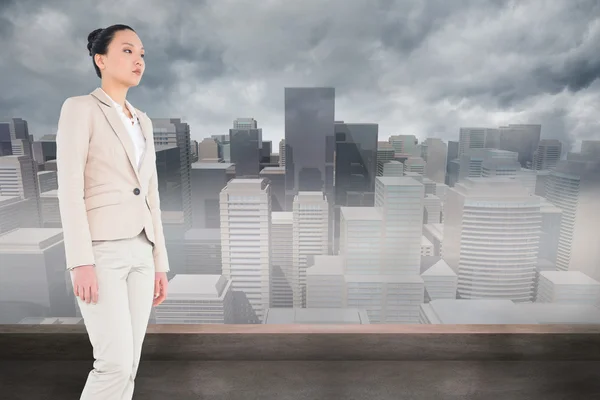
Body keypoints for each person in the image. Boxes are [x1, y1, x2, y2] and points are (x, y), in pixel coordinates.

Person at [56, 24, 169, 400]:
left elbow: (150, 194)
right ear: (100, 59)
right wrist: (80, 262)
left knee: (130, 364)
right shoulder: (80, 108)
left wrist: (159, 262)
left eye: (141, 54)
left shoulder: (144, 121)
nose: (138, 59)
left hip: (141, 249)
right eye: (127, 50)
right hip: (101, 251)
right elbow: (70, 190)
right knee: (113, 364)